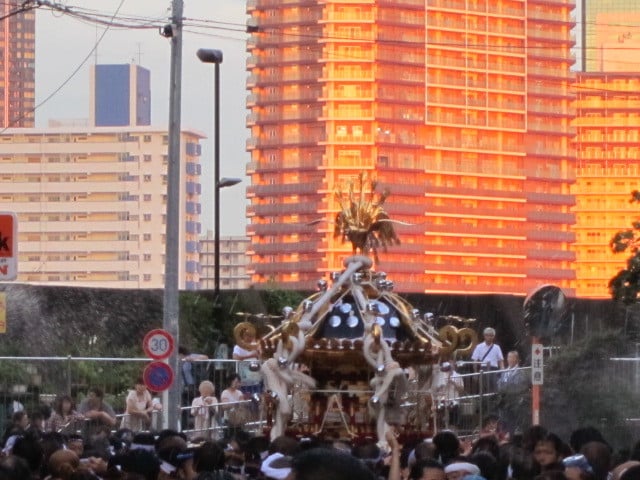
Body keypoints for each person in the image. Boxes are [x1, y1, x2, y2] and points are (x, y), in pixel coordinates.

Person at [497, 350, 530, 436]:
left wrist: (506, 387)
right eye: (509, 357)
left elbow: (517, 385)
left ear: (516, 359)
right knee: (503, 421)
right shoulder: (504, 371)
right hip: (504, 400)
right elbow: (499, 383)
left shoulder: (521, 372)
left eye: (512, 357)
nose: (510, 359)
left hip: (515, 401)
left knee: (512, 422)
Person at [179, 346, 209, 429]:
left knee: (198, 406)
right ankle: (184, 428)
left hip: (195, 386)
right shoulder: (178, 362)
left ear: (181, 354)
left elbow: (206, 357)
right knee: (185, 408)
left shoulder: (191, 356)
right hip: (185, 387)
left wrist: (192, 358)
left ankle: (199, 428)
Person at [431, 362, 464, 430]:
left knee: (453, 422)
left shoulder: (458, 376)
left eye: (447, 369)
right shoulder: (440, 376)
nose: (446, 371)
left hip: (454, 401)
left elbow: (461, 389)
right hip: (442, 401)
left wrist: (452, 382)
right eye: (445, 369)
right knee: (440, 421)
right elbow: (436, 389)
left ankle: (453, 435)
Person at [471, 327, 504, 393]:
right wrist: (475, 372)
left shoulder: (497, 347)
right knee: (483, 390)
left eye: (491, 335)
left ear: (493, 337)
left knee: (494, 390)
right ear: (484, 336)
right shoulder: (479, 347)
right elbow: (475, 360)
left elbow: (500, 361)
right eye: (488, 335)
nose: (489, 337)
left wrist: (502, 371)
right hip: (483, 369)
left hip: (494, 370)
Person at [233, 327, 263, 397]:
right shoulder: (238, 347)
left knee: (258, 397)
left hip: (256, 378)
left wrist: (259, 352)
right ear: (243, 336)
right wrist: (251, 356)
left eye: (251, 336)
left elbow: (262, 357)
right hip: (244, 379)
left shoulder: (256, 346)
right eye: (248, 335)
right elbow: (235, 357)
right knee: (246, 398)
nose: (250, 338)